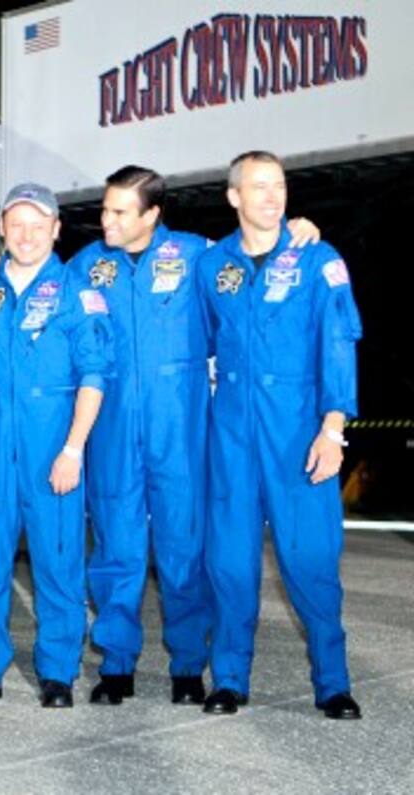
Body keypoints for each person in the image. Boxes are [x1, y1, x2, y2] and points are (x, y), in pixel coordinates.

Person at [0, 169, 323, 707]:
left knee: (184, 549)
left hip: (180, 428)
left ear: (151, 215)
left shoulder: (195, 256)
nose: (106, 220)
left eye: (118, 211)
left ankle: (187, 665)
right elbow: (37, 280)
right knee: (117, 550)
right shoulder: (90, 264)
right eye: (105, 210)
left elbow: (246, 261)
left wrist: (295, 230)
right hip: (113, 430)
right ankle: (116, 664)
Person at [196, 151, 362, 719]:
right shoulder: (211, 265)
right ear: (234, 197)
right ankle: (230, 679)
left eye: (280, 186)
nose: (273, 197)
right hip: (232, 435)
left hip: (298, 432)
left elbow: (339, 343)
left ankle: (333, 683)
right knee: (230, 562)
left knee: (311, 558)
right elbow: (188, 334)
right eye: (259, 187)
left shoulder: (318, 259)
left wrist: (333, 429)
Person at [0, 183, 113, 709]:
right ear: (2, 229)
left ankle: (57, 672)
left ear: (57, 230)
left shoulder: (78, 293)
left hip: (52, 446)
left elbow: (94, 376)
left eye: (39, 225)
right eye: (17, 224)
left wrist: (74, 450)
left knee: (59, 561)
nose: (27, 235)